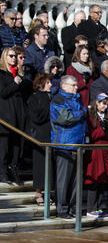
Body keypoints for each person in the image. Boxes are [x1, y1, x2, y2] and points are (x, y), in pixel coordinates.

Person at [50, 75, 87, 219]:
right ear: (64, 86)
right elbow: (65, 118)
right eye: (73, 85)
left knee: (76, 180)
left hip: (78, 143)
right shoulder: (58, 99)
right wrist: (81, 113)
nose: (76, 87)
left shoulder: (76, 99)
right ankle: (62, 208)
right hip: (64, 144)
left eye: (76, 85)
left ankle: (72, 207)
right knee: (64, 179)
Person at [84, 93, 108, 217]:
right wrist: (101, 130)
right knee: (94, 179)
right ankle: (91, 208)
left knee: (103, 180)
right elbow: (91, 135)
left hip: (105, 150)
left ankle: (98, 207)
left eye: (107, 104)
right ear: (97, 103)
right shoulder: (91, 116)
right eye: (103, 103)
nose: (105, 106)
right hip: (95, 150)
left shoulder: (107, 117)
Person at [27, 73, 54, 205]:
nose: (51, 85)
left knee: (50, 165)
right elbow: (36, 117)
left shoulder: (52, 96)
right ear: (41, 83)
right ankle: (38, 192)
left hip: (52, 135)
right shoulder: (34, 97)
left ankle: (48, 192)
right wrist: (49, 109)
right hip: (40, 135)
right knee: (40, 164)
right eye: (48, 82)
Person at [0, 48, 24, 184]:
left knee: (15, 146)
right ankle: (2, 173)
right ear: (5, 57)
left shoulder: (17, 74)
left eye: (15, 56)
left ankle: (13, 170)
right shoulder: (2, 74)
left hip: (18, 115)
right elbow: (3, 93)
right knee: (4, 146)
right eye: (11, 56)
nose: (14, 58)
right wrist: (15, 83)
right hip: (5, 116)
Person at [66, 44, 95, 109]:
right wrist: (83, 81)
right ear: (78, 54)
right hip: (78, 102)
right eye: (84, 54)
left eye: (87, 54)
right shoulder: (71, 69)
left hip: (90, 101)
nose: (86, 56)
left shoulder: (90, 69)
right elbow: (70, 87)